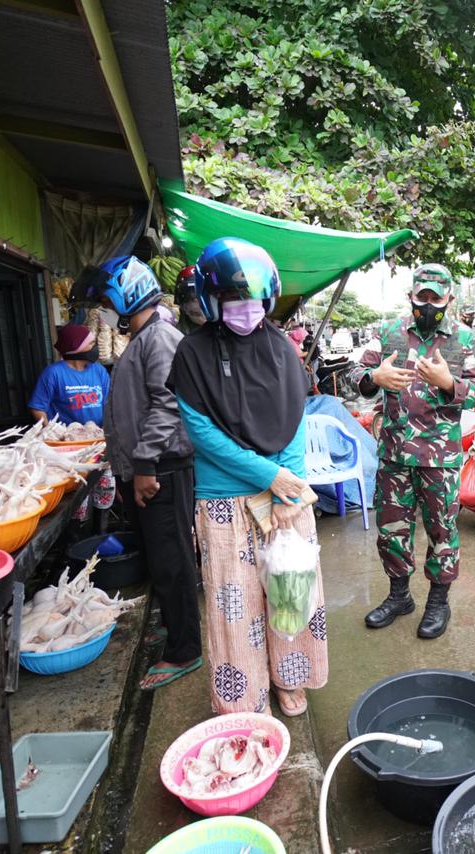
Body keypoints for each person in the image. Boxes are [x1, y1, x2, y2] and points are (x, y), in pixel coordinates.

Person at [168, 237, 328, 717]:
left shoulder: (281, 347)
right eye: (234, 301)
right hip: (224, 500)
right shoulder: (191, 355)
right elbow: (201, 432)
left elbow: (295, 417)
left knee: (289, 592)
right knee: (234, 609)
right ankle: (245, 699)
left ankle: (288, 680)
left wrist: (289, 489)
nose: (246, 310)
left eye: (254, 301)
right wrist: (270, 475)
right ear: (213, 301)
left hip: (286, 499)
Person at [357, 264, 475, 638]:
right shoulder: (387, 333)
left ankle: (437, 602)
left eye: (436, 297)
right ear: (411, 297)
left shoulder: (464, 338)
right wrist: (374, 379)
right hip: (394, 454)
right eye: (422, 297)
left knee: (441, 531)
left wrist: (451, 384)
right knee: (391, 530)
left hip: (439, 458)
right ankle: (399, 595)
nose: (429, 304)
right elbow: (356, 373)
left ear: (448, 299)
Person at [91, 256, 202, 690]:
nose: (104, 307)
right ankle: (174, 627)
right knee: (160, 558)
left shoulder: (159, 338)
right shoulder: (142, 336)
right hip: (145, 468)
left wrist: (144, 465)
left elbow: (168, 403)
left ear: (126, 295)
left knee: (173, 560)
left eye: (107, 300)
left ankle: (185, 650)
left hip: (162, 470)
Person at [28, 324, 110, 424]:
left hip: (98, 435)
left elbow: (109, 404)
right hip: (67, 437)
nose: (95, 348)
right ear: (77, 347)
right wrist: (50, 431)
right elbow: (37, 407)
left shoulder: (99, 371)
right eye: (91, 344)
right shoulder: (53, 373)